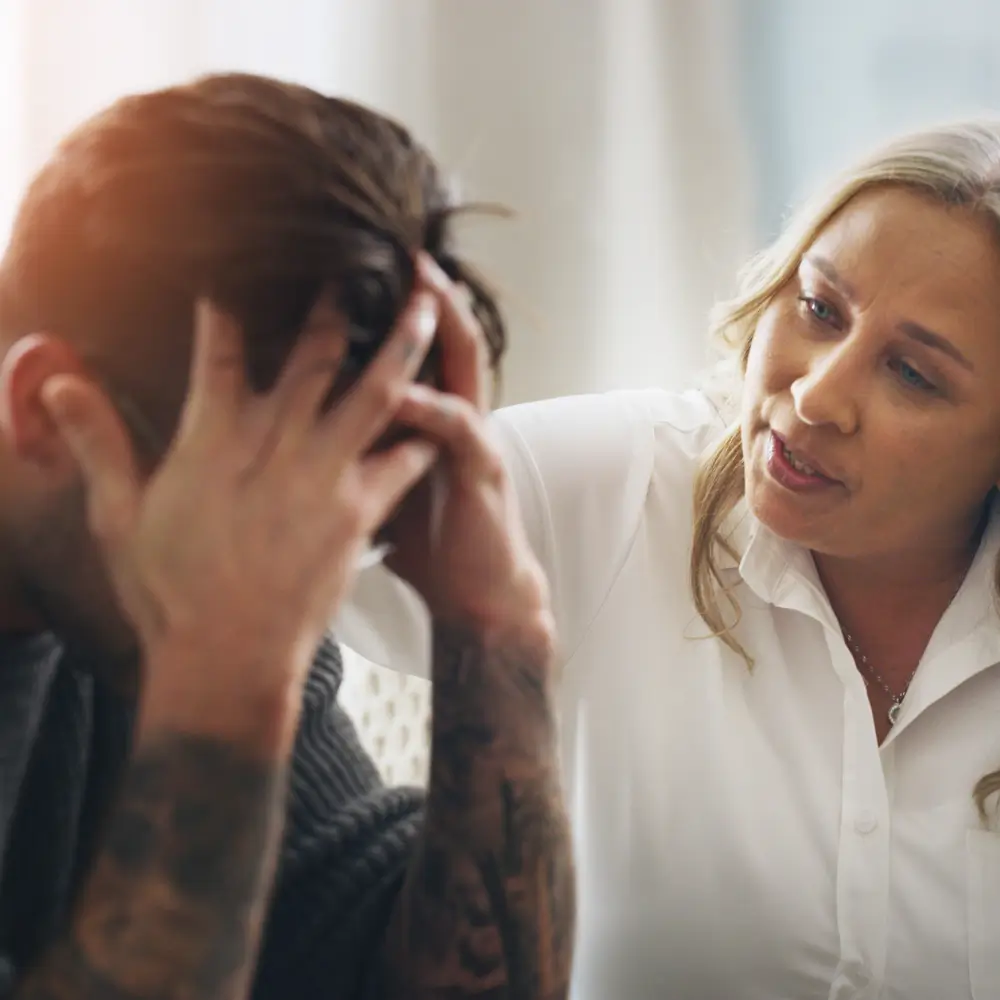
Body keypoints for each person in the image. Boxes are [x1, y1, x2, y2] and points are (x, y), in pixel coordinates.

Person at [346, 119, 1000, 999]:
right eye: (819, 309)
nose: (816, 395)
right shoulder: (612, 484)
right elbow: (238, 551)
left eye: (914, 375)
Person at [0, 74, 575, 999]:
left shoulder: (196, 616)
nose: (286, 585)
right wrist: (219, 692)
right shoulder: (218, 636)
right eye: (252, 519)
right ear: (44, 413)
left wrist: (499, 635)